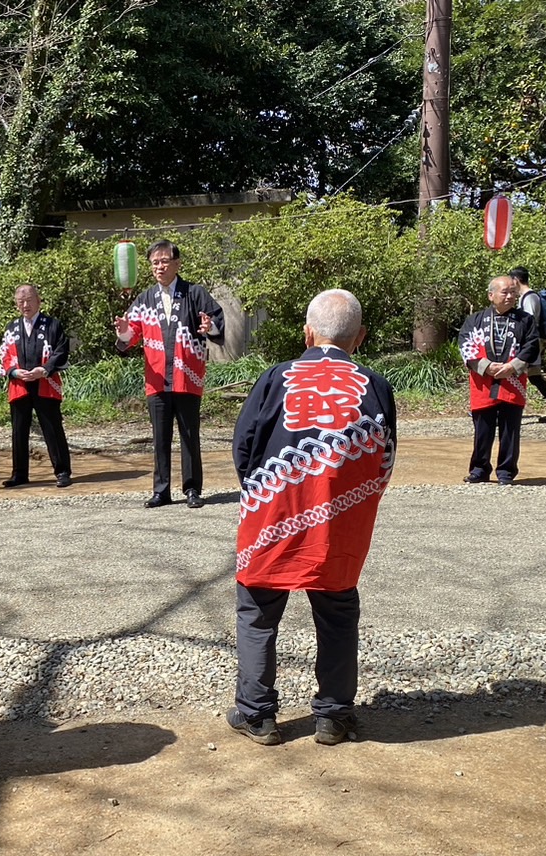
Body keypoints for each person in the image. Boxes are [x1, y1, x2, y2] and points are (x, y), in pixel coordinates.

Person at [228, 290, 395, 746]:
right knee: (338, 612)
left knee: (258, 612)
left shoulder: (276, 377)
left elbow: (244, 448)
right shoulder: (375, 383)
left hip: (274, 514)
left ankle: (257, 715)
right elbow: (385, 459)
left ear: (307, 333)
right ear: (359, 338)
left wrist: (261, 494)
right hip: (339, 522)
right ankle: (334, 716)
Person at [113, 240, 224, 508]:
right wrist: (124, 331)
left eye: (164, 261)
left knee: (189, 434)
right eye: (155, 262)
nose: (160, 267)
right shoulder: (144, 299)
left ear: (177, 263)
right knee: (160, 437)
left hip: (188, 377)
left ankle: (192, 489)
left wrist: (208, 327)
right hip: (157, 379)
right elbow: (132, 336)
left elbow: (216, 322)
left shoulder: (194, 293)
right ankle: (161, 490)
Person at [457, 275, 539, 485]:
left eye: (513, 292)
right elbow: (466, 345)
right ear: (491, 295)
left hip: (513, 382)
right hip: (483, 383)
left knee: (510, 429)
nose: (510, 296)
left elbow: (532, 346)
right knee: (483, 429)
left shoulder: (525, 320)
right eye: (505, 292)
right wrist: (486, 367)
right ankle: (479, 469)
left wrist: (513, 366)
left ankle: (506, 472)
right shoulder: (475, 320)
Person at [0, 284, 72, 489]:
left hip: (45, 382)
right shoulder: (12, 328)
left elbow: (61, 350)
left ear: (38, 301)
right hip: (20, 383)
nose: (25, 304)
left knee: (52, 427)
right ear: (16, 304)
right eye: (21, 301)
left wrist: (45, 369)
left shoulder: (52, 325)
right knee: (18, 430)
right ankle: (19, 473)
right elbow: (4, 353)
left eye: (29, 299)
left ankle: (62, 471)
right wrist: (13, 371)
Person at [508, 266, 546, 423]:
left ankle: (500, 410)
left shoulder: (529, 297)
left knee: (510, 373)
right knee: (534, 376)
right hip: (532, 344)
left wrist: (523, 344)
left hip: (530, 345)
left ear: (516, 280)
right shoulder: (527, 297)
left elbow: (530, 322)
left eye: (510, 281)